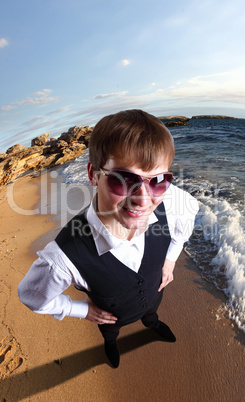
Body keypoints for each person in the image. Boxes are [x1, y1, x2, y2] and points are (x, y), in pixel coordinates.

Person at [18, 109, 199, 368]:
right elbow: (32, 296)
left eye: (158, 180)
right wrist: (81, 310)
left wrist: (169, 260)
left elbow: (187, 217)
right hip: (112, 315)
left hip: (153, 294)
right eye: (124, 179)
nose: (143, 198)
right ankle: (111, 343)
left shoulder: (171, 200)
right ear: (94, 175)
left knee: (151, 313)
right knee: (110, 330)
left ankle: (152, 324)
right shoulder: (64, 256)